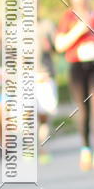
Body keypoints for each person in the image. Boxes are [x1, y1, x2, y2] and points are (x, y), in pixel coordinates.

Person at [55, 0, 94, 170]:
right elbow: (59, 45)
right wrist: (79, 29)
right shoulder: (67, 18)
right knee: (83, 109)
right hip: (77, 67)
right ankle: (86, 149)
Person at [36, 16, 58, 163]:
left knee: (44, 115)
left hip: (45, 77)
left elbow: (58, 47)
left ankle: (43, 147)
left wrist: (50, 46)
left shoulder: (47, 25)